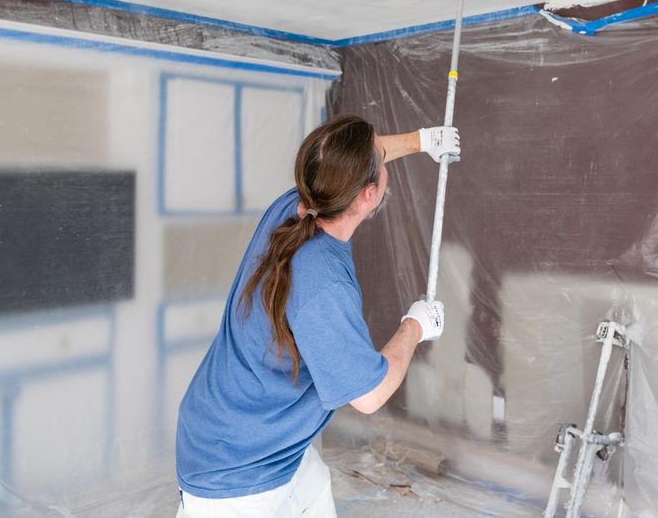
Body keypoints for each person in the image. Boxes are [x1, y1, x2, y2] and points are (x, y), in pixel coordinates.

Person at [174, 114, 460, 517]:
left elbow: (367, 152)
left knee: (316, 487)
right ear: (368, 195)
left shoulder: (296, 206)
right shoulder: (322, 284)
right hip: (235, 473)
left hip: (247, 434)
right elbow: (369, 395)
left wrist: (422, 140)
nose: (383, 154)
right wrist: (416, 324)